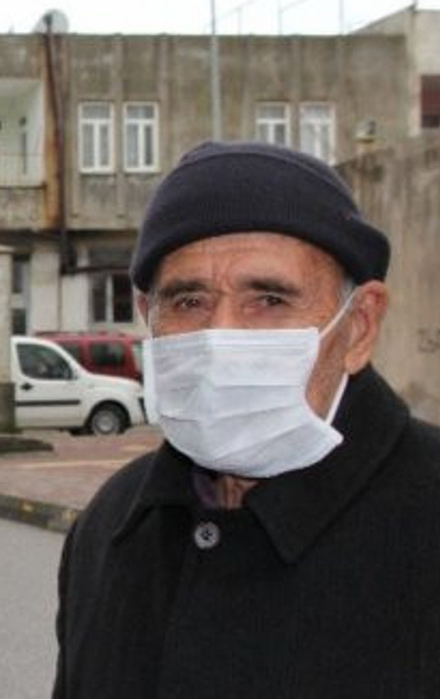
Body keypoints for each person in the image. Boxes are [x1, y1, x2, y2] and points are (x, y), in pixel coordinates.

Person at [54, 141, 440, 697]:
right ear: (148, 318)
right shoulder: (112, 526)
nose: (222, 336)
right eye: (188, 301)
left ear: (358, 327)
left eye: (270, 300)